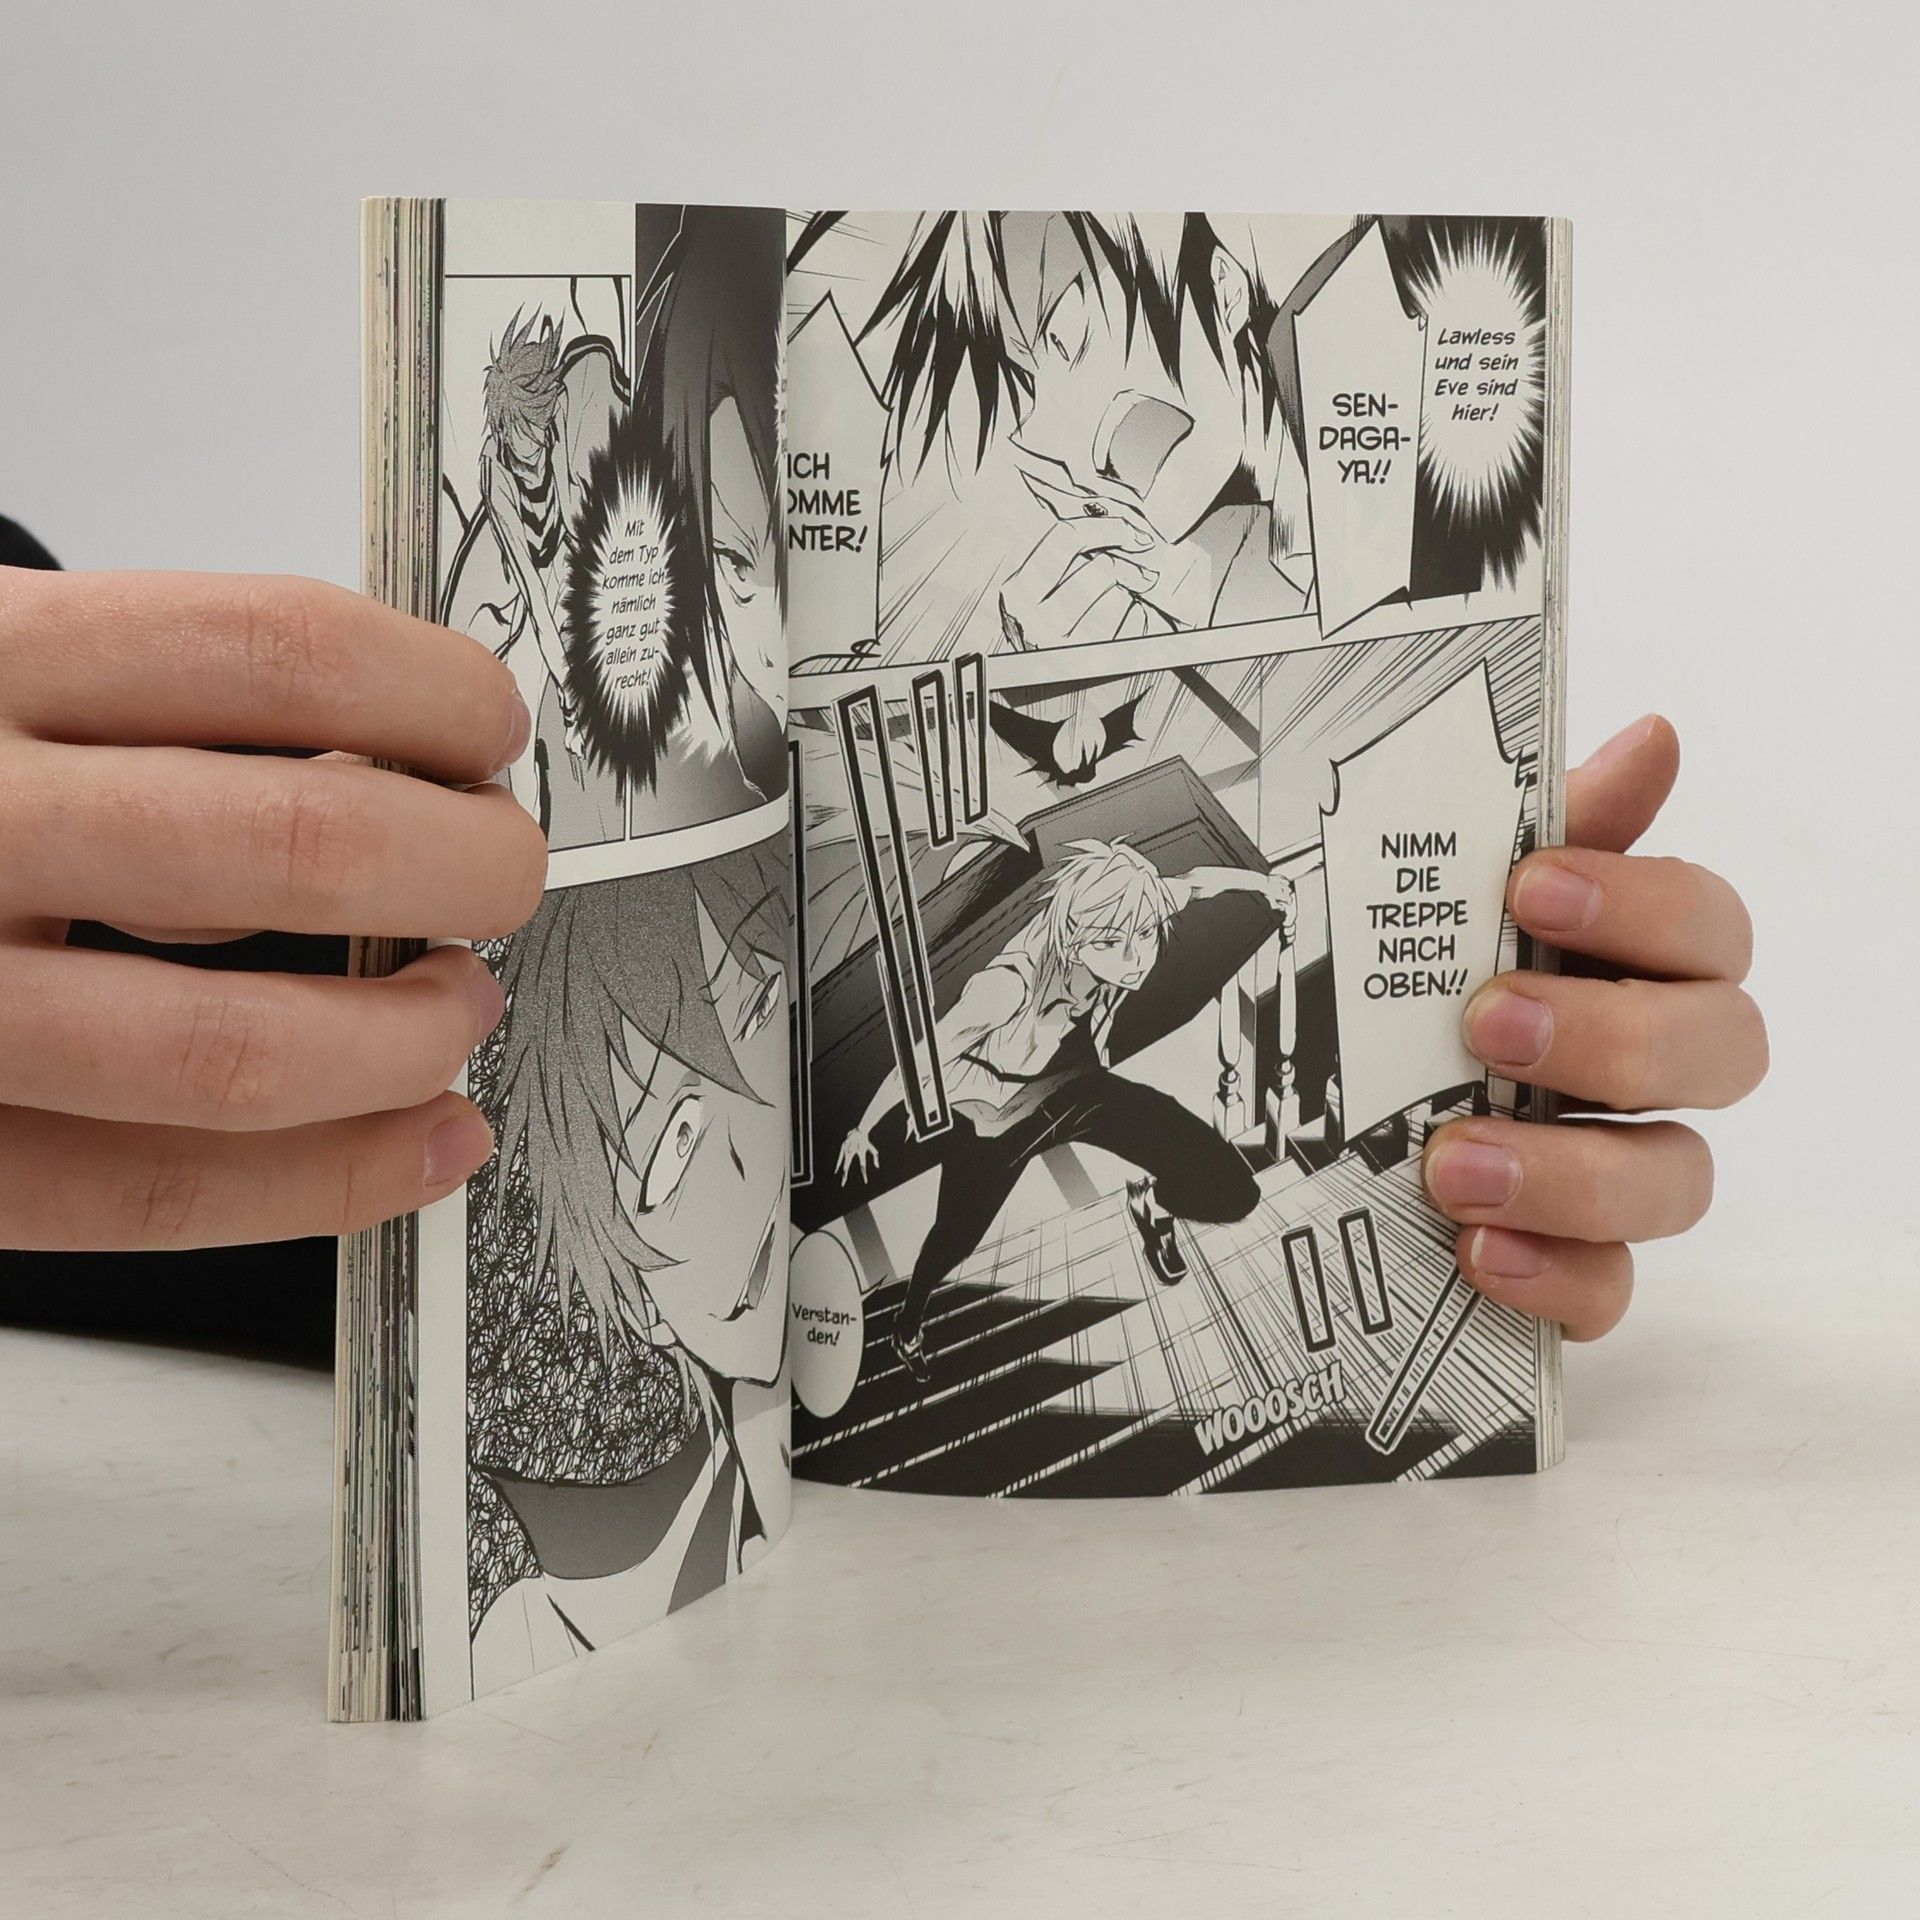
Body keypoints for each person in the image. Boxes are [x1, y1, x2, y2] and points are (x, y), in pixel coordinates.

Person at [0, 559, 1768, 1362]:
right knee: (978, 1173)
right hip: (946, 1094)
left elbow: (1170, 982)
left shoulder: (1075, 967)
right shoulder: (991, 960)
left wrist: (1442, 989)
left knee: (1073, 1148)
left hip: (950, 1097)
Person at [839, 840, 1296, 1381]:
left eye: (1145, 936)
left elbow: (1195, 883)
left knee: (1232, 1187)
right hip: (997, 1123)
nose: (1135, 958)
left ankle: (1153, 1206)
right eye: (1113, 943)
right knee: (953, 1240)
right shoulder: (1005, 988)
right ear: (1077, 941)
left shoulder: (1134, 903)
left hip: (1074, 1088)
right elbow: (925, 1055)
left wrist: (1264, 886)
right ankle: (907, 1326)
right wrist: (862, 1128)